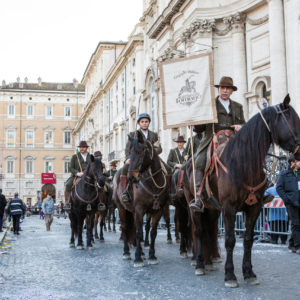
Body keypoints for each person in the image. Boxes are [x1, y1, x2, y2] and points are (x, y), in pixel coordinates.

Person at [190, 76, 245, 211]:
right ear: (219, 89)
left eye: (228, 88)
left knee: (251, 156)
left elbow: (244, 123)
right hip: (212, 139)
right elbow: (200, 129)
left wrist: (240, 127)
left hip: (233, 140)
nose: (225, 91)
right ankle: (199, 197)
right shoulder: (209, 105)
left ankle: (256, 191)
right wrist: (194, 122)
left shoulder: (238, 107)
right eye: (222, 88)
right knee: (200, 160)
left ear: (232, 91)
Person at [121, 113, 162, 204]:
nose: (144, 123)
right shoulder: (133, 135)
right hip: (137, 159)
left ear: (149, 123)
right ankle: (125, 192)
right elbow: (128, 149)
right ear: (139, 123)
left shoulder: (154, 135)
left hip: (152, 159)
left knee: (168, 169)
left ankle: (169, 192)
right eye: (142, 122)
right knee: (124, 169)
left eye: (146, 121)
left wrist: (151, 152)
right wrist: (127, 158)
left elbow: (159, 148)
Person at [276, 155, 300, 254]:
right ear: (292, 163)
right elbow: (279, 188)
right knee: (296, 224)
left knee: (298, 224)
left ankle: (291, 243)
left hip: (299, 202)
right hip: (291, 203)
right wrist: (287, 199)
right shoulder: (284, 174)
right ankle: (298, 246)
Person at [64, 141, 92, 211]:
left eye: (83, 147)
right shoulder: (75, 157)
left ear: (86, 148)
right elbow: (70, 168)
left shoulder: (91, 157)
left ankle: (100, 203)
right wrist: (77, 173)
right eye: (80, 147)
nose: (81, 149)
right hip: (76, 176)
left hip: (88, 176)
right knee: (68, 184)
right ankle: (67, 202)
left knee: (99, 185)